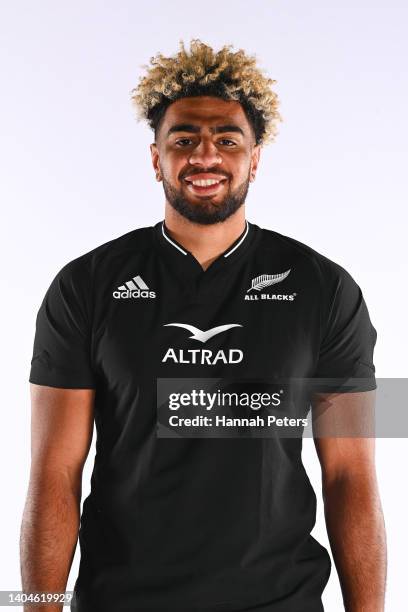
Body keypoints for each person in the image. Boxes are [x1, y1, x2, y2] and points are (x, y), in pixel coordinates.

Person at [21, 39, 386, 612]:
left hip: (279, 601)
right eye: (184, 140)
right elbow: (53, 474)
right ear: (156, 158)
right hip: (123, 600)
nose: (205, 156)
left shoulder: (327, 289)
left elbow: (351, 476)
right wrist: (37, 608)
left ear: (255, 158)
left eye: (227, 140)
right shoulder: (85, 285)